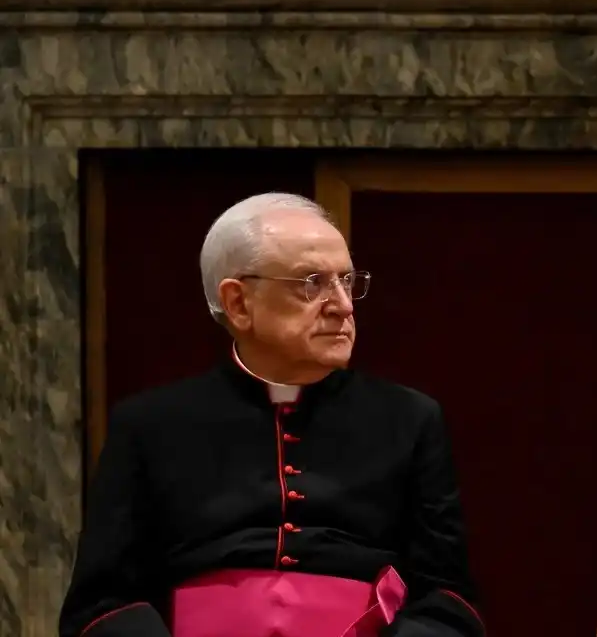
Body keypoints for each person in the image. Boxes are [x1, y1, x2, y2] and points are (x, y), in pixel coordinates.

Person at [60, 193, 484, 637]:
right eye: (312, 283)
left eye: (347, 280)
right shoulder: (149, 426)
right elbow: (101, 603)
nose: (343, 305)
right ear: (239, 303)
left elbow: (447, 597)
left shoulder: (409, 420)